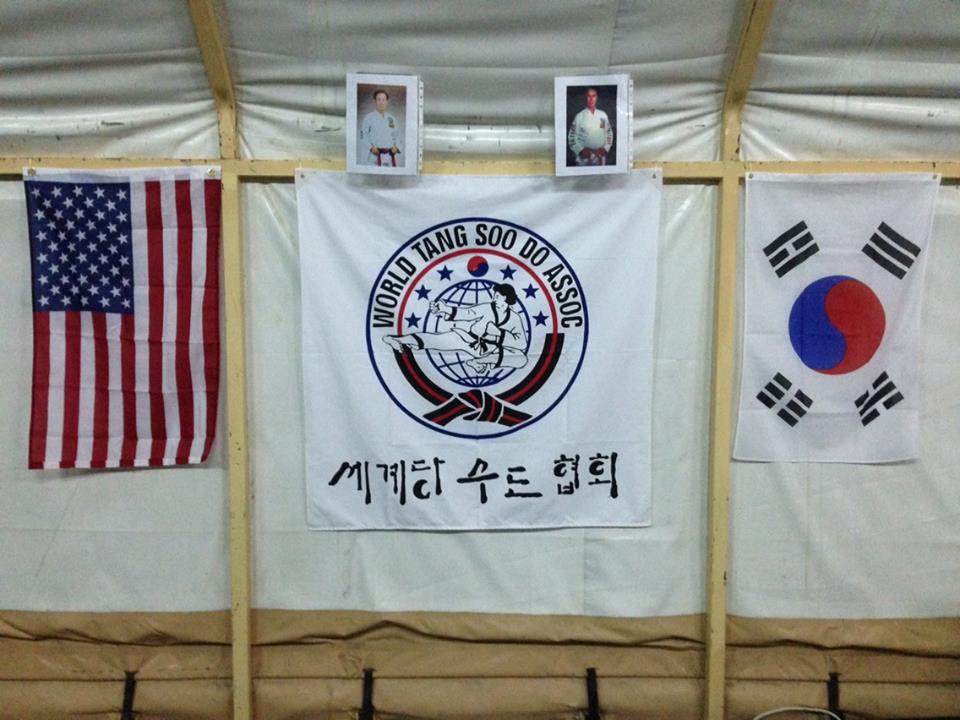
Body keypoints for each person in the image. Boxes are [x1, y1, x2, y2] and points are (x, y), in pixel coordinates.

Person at [383, 283, 528, 375]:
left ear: (506, 298)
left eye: (497, 296)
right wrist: (446, 309)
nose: (494, 298)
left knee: (522, 359)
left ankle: (479, 362)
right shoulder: (486, 308)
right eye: (494, 295)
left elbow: (522, 343)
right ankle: (395, 340)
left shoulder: (514, 318)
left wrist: (498, 334)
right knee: (434, 339)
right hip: (468, 340)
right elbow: (468, 313)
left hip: (492, 350)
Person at [567, 87, 613, 166]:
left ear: (597, 98)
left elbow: (609, 134)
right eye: (589, 96)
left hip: (600, 156)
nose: (591, 99)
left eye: (593, 96)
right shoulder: (579, 116)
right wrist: (580, 150)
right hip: (584, 158)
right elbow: (572, 137)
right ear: (586, 98)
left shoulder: (603, 115)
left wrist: (605, 148)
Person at [359, 89, 402, 167]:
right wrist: (371, 148)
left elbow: (397, 135)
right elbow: (363, 136)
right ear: (375, 101)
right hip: (374, 157)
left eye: (383, 100)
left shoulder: (391, 119)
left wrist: (396, 147)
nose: (381, 102)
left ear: (387, 102)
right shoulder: (369, 117)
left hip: (389, 157)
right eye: (379, 100)